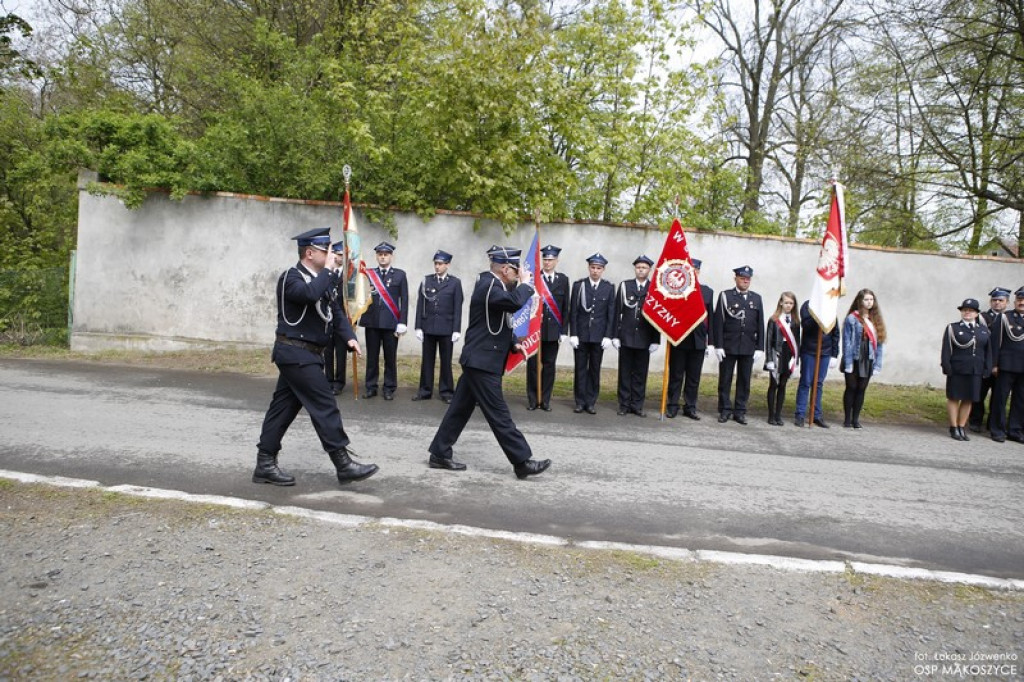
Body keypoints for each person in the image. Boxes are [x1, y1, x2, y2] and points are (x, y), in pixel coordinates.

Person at [253, 227, 378, 487]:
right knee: (324, 404)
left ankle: (264, 463)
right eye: (327, 251)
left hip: (307, 355)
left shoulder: (324, 279)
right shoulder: (292, 277)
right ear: (310, 253)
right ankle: (343, 464)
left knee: (283, 409)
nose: (334, 255)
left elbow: (336, 311)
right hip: (295, 352)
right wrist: (331, 271)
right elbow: (309, 296)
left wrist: (349, 337)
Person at [426, 246, 552, 479]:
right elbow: (514, 303)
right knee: (500, 415)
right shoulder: (488, 286)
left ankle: (439, 452)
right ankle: (522, 461)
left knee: (459, 410)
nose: (518, 275)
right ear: (505, 269)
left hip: (481, 358)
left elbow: (498, 320)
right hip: (482, 361)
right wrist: (526, 284)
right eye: (516, 271)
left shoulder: (496, 286)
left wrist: (514, 342)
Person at [712, 265, 764, 425]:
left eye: (747, 279)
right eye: (742, 278)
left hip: (748, 346)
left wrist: (760, 347)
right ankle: (725, 410)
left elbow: (760, 323)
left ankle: (740, 411)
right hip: (729, 345)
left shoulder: (756, 298)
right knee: (725, 379)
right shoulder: (726, 296)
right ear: (735, 278)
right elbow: (718, 322)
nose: (745, 281)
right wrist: (718, 345)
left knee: (744, 380)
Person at [665, 258, 714, 420]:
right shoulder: (677, 290)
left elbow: (710, 319)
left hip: (698, 340)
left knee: (694, 377)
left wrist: (711, 342)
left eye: (696, 270)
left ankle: (690, 406)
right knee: (676, 375)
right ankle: (672, 405)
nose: (694, 272)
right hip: (680, 339)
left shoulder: (707, 292)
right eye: (690, 270)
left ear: (699, 272)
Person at [360, 241, 409, 400]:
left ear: (391, 256)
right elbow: (360, 297)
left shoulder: (400, 275)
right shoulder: (368, 274)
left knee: (390, 357)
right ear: (376, 256)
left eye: (385, 254)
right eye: (380, 254)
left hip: (390, 323)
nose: (382, 257)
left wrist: (403, 322)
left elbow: (405, 300)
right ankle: (370, 387)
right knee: (372, 357)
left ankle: (389, 388)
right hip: (372, 321)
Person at [412, 250, 463, 403]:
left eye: (440, 264)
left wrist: (456, 329)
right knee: (427, 360)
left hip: (446, 328)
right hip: (429, 327)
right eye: (436, 264)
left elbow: (457, 307)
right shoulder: (426, 281)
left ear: (447, 265)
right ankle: (425, 390)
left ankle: (446, 392)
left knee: (446, 361)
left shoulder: (455, 283)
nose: (437, 267)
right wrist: (418, 326)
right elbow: (420, 305)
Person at [568, 253, 616, 414]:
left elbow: (611, 314)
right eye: (593, 267)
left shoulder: (609, 288)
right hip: (581, 335)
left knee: (595, 369)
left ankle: (591, 402)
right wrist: (573, 333)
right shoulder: (578, 286)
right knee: (580, 369)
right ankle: (580, 402)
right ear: (589, 268)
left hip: (598, 336)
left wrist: (609, 335)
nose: (595, 271)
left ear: (603, 270)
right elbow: (573, 311)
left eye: (599, 268)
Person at [613, 255, 659, 417]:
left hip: (645, 338)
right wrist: (615, 335)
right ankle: (624, 404)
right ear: (635, 269)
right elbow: (616, 311)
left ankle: (637, 405)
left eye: (644, 268)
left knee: (640, 373)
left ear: (649, 270)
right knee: (624, 372)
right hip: (626, 336)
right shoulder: (625, 286)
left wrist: (656, 339)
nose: (641, 270)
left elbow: (657, 316)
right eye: (638, 267)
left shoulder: (654, 288)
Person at [941, 298, 992, 441]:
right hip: (957, 368)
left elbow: (988, 351)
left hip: (975, 369)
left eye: (971, 310)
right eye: (964, 310)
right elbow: (946, 349)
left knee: (969, 398)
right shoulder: (953, 328)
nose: (967, 312)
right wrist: (946, 366)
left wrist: (987, 367)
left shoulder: (983, 330)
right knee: (954, 397)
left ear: (977, 313)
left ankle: (961, 426)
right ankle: (953, 427)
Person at [526, 245, 570, 411]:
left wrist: (564, 331)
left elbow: (566, 307)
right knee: (533, 366)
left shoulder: (563, 280)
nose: (547, 262)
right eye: (545, 259)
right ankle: (532, 399)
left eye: (551, 260)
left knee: (549, 366)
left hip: (553, 330)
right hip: (536, 330)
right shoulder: (535, 278)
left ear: (557, 261)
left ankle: (545, 400)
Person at [841, 288, 887, 429]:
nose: (869, 302)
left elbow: (879, 344)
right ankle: (847, 419)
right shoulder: (852, 318)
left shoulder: (875, 320)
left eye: (871, 299)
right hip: (854, 356)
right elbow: (847, 342)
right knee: (851, 387)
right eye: (866, 299)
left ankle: (856, 419)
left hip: (868, 357)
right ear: (860, 301)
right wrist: (848, 362)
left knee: (862, 388)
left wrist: (878, 364)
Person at [968, 287, 1011, 433]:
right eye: (994, 300)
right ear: (990, 302)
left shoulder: (1010, 318)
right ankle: (975, 421)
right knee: (979, 393)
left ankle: (992, 423)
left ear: (1007, 302)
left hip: (1002, 364)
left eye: (1001, 300)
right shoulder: (982, 318)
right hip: (984, 361)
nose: (997, 303)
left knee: (998, 397)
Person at [793, 300, 840, 428]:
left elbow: (835, 333)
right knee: (806, 382)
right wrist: (817, 316)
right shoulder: (808, 306)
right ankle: (800, 414)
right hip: (810, 350)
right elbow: (806, 326)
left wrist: (834, 354)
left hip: (825, 352)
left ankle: (816, 415)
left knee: (818, 383)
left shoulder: (830, 308)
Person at [989, 286, 1024, 443]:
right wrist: (994, 364)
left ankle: (1015, 430)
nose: (1021, 303)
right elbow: (995, 342)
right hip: (1006, 365)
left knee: (1020, 400)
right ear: (1014, 301)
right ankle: (997, 429)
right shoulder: (1004, 318)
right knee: (1000, 398)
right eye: (1019, 300)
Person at [764, 292, 800, 426]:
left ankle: (778, 415)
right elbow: (768, 341)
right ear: (780, 303)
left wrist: (796, 360)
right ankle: (771, 415)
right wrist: (769, 359)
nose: (788, 306)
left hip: (788, 354)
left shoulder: (796, 322)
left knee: (783, 385)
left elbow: (797, 341)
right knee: (774, 384)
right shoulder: (774, 320)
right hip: (776, 353)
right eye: (786, 303)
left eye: (791, 303)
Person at [323, 242, 349, 395]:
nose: (338, 257)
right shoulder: (326, 272)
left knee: (340, 352)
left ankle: (339, 382)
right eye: (336, 254)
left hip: (341, 320)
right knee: (327, 352)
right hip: (327, 318)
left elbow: (352, 300)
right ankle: (328, 380)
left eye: (341, 255)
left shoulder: (348, 275)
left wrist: (352, 322)